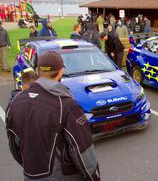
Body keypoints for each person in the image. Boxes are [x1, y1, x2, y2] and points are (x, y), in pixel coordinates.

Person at [6, 51, 101, 181]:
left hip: (30, 175)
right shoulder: (66, 105)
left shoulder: (14, 103)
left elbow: (14, 147)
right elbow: (83, 152)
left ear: (37, 71)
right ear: (61, 71)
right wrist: (94, 177)